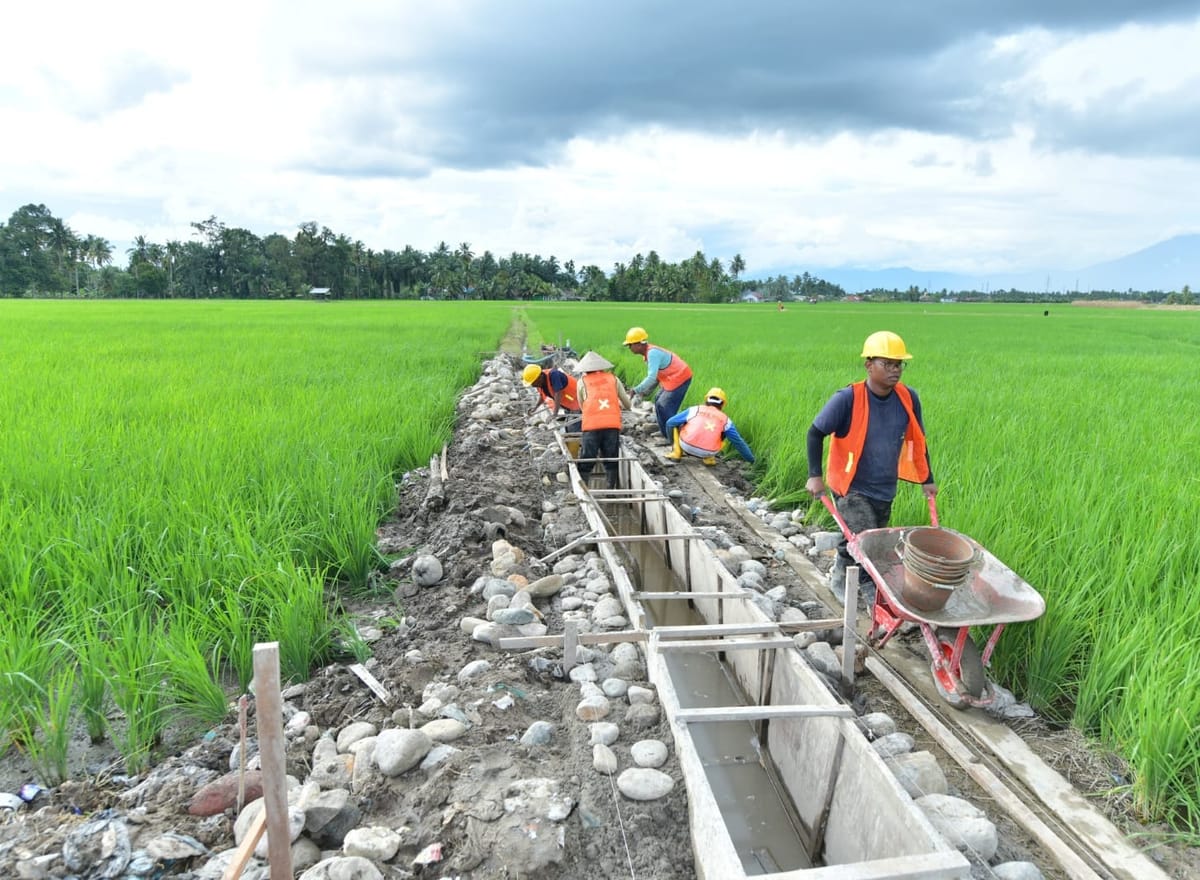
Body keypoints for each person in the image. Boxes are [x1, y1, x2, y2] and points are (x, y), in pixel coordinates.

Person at [805, 331, 938, 604]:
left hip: (885, 488)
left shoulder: (908, 398)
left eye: (899, 364)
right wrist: (814, 476)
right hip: (851, 486)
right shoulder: (847, 399)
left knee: (862, 539)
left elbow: (918, 441)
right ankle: (863, 591)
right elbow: (815, 432)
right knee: (867, 546)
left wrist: (928, 478)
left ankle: (846, 578)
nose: (895, 370)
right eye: (887, 363)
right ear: (869, 365)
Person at [622, 326, 693, 443]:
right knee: (658, 401)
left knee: (666, 406)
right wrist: (644, 392)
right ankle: (664, 431)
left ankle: (672, 439)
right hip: (670, 379)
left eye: (630, 345)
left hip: (680, 377)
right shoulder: (648, 353)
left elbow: (651, 377)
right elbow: (656, 378)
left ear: (639, 344)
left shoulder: (652, 354)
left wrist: (636, 390)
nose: (629, 348)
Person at [575, 350, 632, 490]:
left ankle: (584, 488)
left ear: (585, 369)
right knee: (611, 457)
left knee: (587, 457)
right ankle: (610, 488)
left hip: (591, 425)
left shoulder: (582, 381)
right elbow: (627, 403)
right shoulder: (613, 379)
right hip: (612, 425)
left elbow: (582, 405)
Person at [665, 387, 755, 466]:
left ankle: (676, 452)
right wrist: (752, 460)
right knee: (723, 432)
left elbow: (670, 423)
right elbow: (738, 442)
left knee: (679, 423)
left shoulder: (695, 410)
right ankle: (709, 459)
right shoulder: (726, 420)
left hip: (685, 445)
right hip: (709, 452)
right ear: (722, 404)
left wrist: (672, 443)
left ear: (706, 400)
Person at [522, 363, 581, 430]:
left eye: (533, 383)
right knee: (569, 427)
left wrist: (554, 414)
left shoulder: (554, 375)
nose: (533, 386)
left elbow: (558, 393)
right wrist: (535, 407)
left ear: (539, 377)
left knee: (575, 428)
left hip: (579, 401)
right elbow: (542, 395)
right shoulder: (541, 382)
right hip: (569, 405)